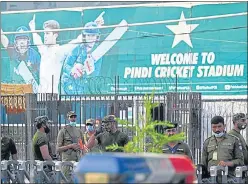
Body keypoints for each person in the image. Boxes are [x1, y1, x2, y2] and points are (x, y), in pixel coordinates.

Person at [29, 14, 104, 94]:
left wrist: (94, 25)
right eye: (44, 33)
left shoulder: (59, 51)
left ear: (55, 35)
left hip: (52, 96)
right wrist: (32, 28)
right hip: (40, 96)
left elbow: (77, 41)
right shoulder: (43, 50)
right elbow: (37, 39)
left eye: (47, 33)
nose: (45, 36)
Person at [61, 21, 103, 95]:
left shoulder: (98, 53)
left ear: (97, 37)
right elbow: (66, 65)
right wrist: (72, 71)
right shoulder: (77, 49)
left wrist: (89, 72)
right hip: (69, 85)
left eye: (93, 35)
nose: (90, 38)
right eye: (88, 35)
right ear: (84, 36)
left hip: (83, 88)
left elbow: (95, 74)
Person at [201, 116, 244, 183]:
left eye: (219, 126)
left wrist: (227, 163)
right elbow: (204, 163)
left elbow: (240, 161)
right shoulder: (207, 142)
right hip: (211, 179)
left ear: (224, 126)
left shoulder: (234, 140)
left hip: (228, 178)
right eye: (214, 127)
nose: (217, 130)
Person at [56, 111, 86, 178]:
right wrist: (70, 146)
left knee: (77, 179)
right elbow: (58, 149)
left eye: (74, 117)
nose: (73, 118)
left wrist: (82, 152)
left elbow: (82, 146)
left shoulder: (79, 131)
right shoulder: (63, 131)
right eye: (71, 117)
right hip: (67, 161)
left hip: (77, 160)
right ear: (68, 118)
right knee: (65, 179)